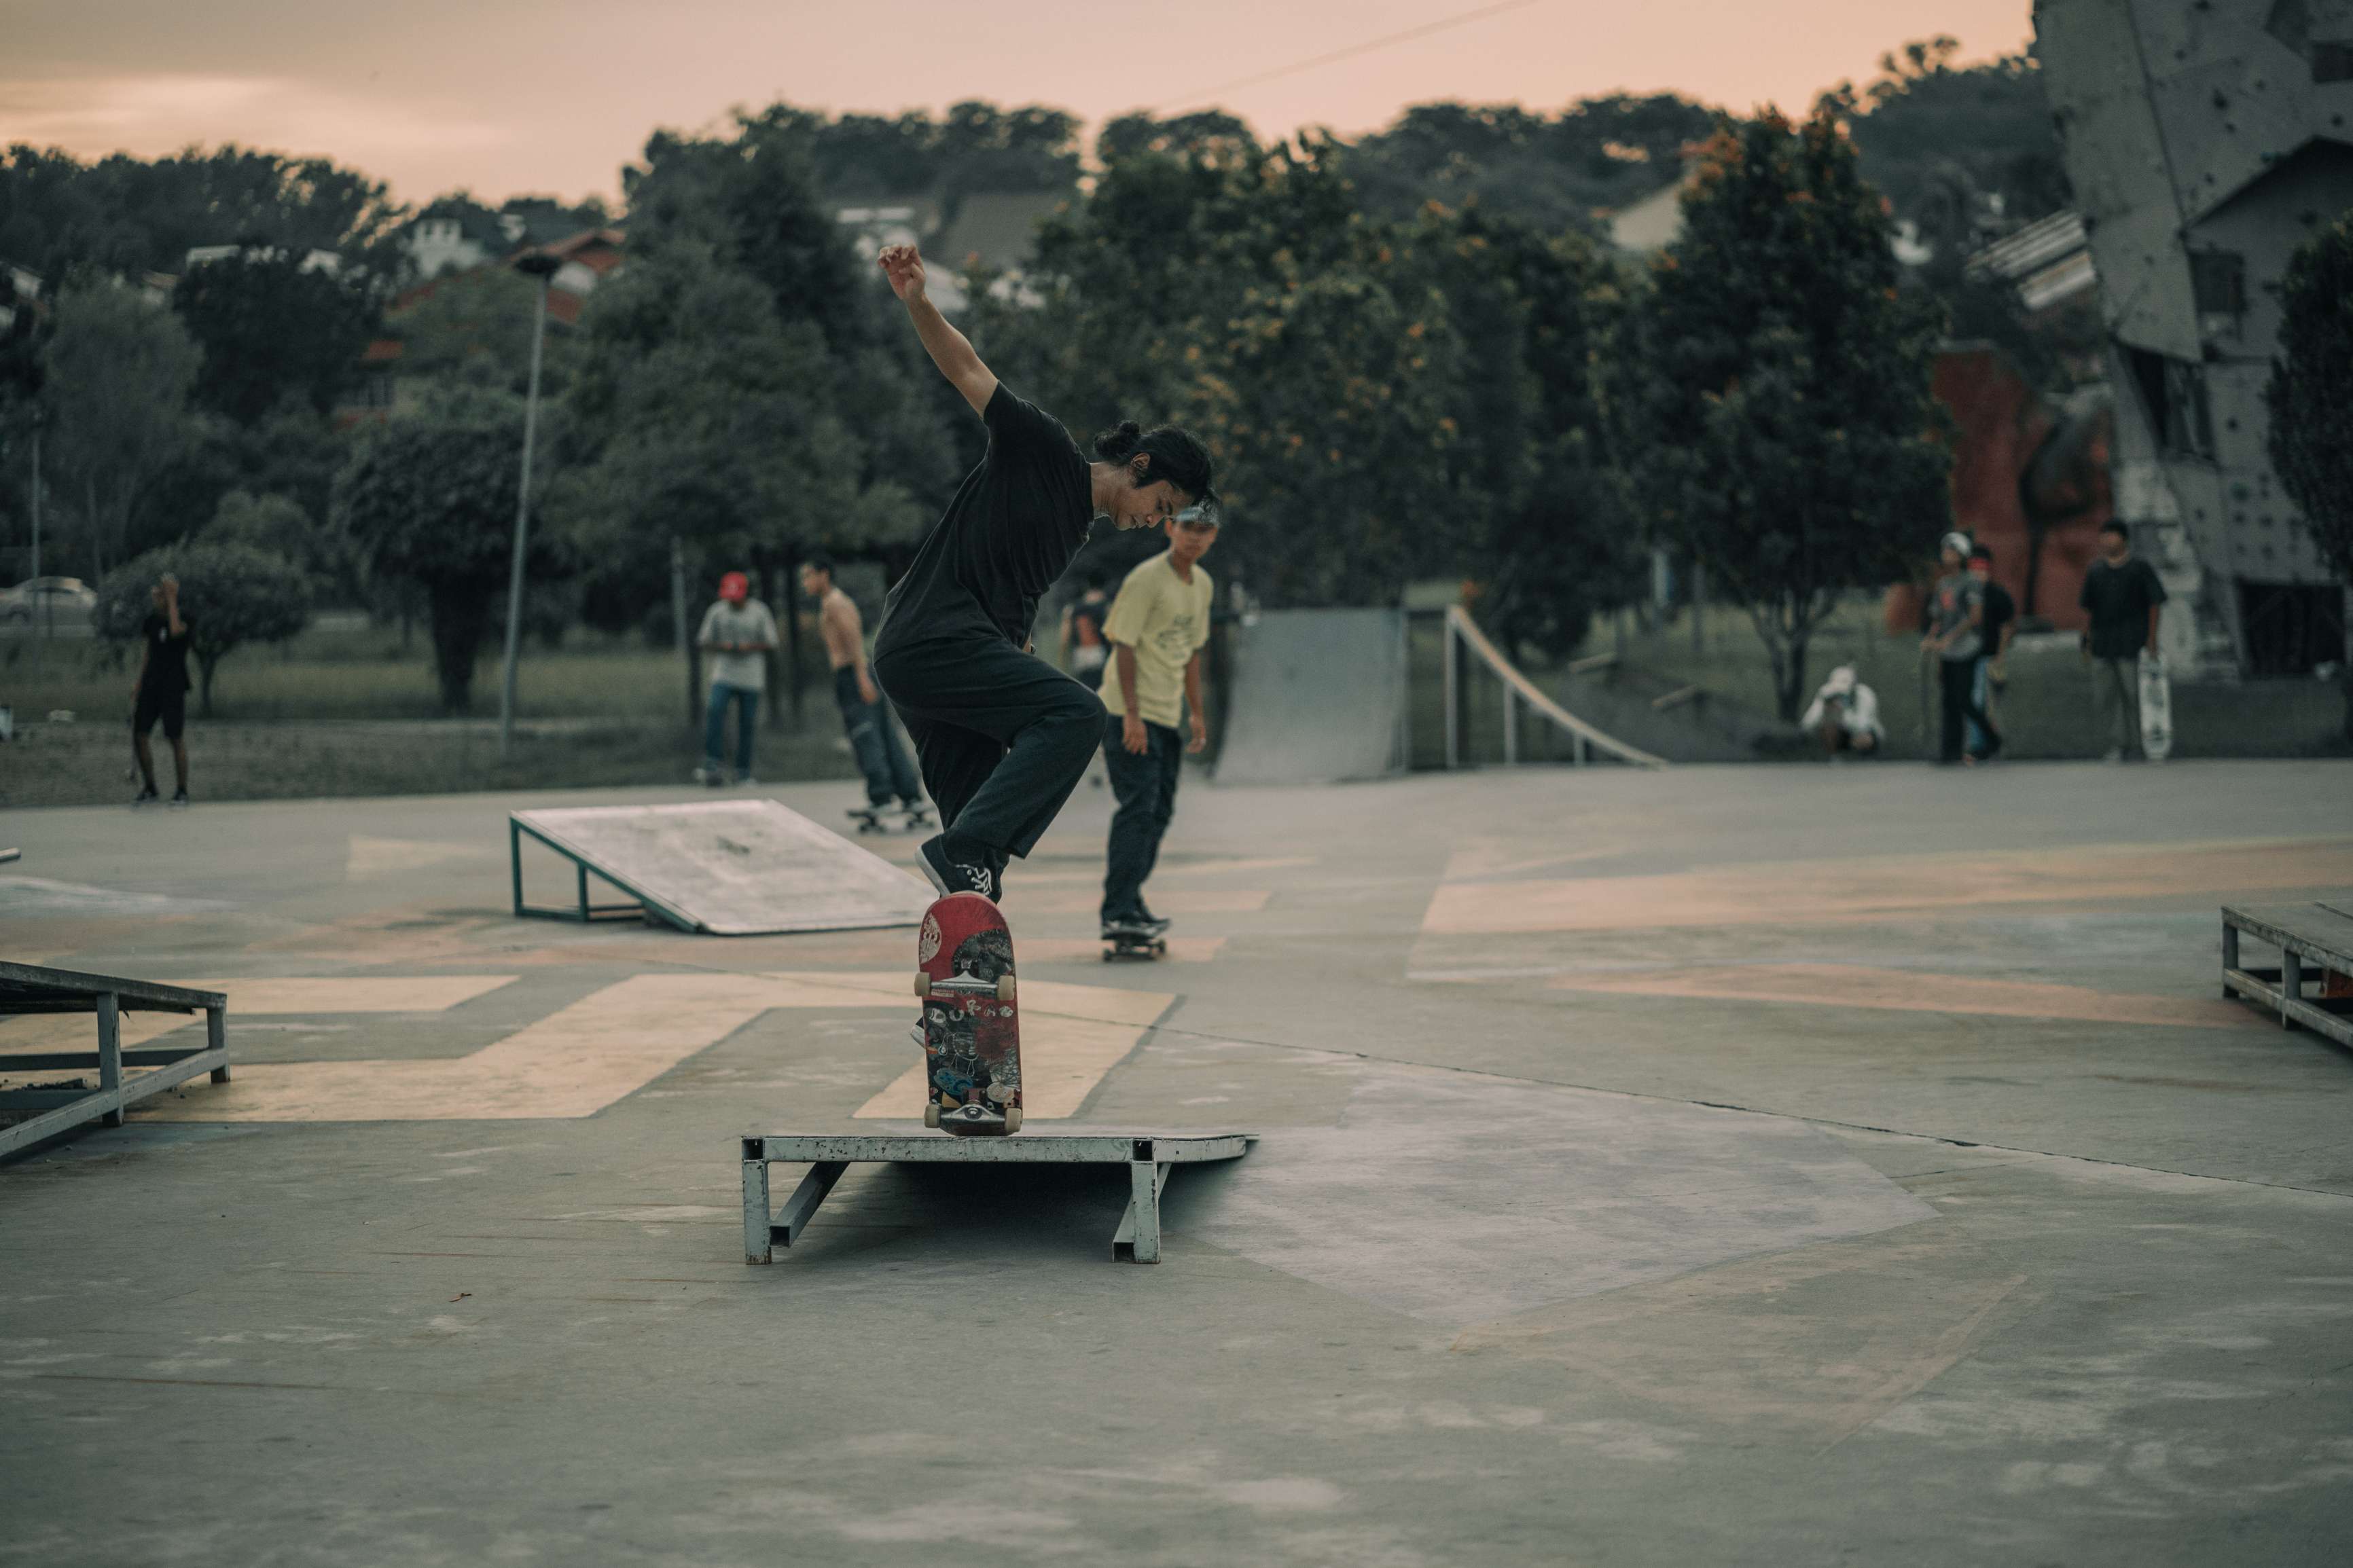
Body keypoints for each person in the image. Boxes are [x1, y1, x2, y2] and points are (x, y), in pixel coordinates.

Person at [869, 240, 1215, 901]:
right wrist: (918, 303)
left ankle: (962, 976)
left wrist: (1017, 648)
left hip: (937, 663)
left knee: (974, 870)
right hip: (933, 640)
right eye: (1160, 506)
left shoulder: (1072, 531)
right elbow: (966, 370)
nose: (1155, 523)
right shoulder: (1043, 450)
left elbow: (1009, 599)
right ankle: (964, 848)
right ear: (1140, 468)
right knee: (1076, 714)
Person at [1099, 506, 1221, 938]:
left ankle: (1130, 899)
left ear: (1213, 537)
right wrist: (1132, 716)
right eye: (1188, 528)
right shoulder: (1146, 579)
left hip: (1167, 715)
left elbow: (1191, 652)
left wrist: (1198, 713)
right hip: (1127, 712)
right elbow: (1125, 646)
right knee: (1138, 808)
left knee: (1161, 813)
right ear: (1171, 528)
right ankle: (1116, 908)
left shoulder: (1202, 585)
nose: (1195, 538)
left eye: (1204, 531)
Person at [802, 554, 925, 825]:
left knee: (864, 735)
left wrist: (861, 678)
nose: (805, 583)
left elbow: (852, 640)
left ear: (824, 575)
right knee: (883, 732)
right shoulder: (835, 602)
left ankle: (880, 796)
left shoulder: (834, 603)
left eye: (809, 576)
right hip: (861, 673)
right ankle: (909, 793)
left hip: (853, 674)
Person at [2077, 519, 2167, 762]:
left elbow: (2155, 602)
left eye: (2112, 535)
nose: (2107, 540)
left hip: (2131, 643)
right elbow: (2087, 608)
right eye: (2104, 536)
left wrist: (2152, 638)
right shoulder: (2096, 571)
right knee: (2107, 697)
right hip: (2103, 644)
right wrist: (2085, 638)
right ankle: (2118, 745)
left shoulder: (2139, 568)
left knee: (2135, 695)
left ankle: (2144, 743)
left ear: (2124, 539)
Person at [1923, 531, 2001, 765]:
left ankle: (1991, 738)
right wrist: (1931, 638)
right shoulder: (1943, 584)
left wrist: (1950, 638)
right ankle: (1950, 752)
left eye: (1952, 551)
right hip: (1947, 651)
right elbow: (1938, 617)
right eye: (1946, 551)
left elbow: (1974, 618)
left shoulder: (1971, 582)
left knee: (1963, 699)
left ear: (1962, 555)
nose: (1947, 556)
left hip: (1966, 648)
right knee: (1948, 701)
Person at [694, 570, 778, 786]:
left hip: (751, 675)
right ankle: (713, 763)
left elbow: (771, 642)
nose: (733, 602)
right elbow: (703, 641)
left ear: (745, 594)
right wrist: (724, 646)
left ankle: (743, 771)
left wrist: (749, 647)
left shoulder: (759, 612)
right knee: (715, 710)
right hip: (724, 672)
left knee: (747, 722)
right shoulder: (717, 612)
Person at [130, 572, 192, 807]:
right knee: (140, 734)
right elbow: (149, 651)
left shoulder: (184, 617)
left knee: (175, 737)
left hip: (174, 686)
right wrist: (139, 683)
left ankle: (182, 790)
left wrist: (173, 598)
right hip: (151, 685)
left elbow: (176, 631)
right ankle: (150, 787)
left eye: (162, 594)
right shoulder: (152, 621)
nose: (157, 598)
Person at [1058, 573, 1114, 788]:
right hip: (1103, 660)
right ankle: (1106, 765)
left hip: (1082, 659)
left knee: (1088, 711)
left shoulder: (1072, 609)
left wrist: (1063, 664)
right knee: (1105, 709)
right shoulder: (1107, 607)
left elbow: (1064, 640)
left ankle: (1092, 767)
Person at [1965, 543, 2017, 761]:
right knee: (1974, 701)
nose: (1978, 572)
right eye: (1974, 567)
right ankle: (1981, 743)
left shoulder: (1997, 595)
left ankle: (1983, 744)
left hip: (1987, 656)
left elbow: (2007, 627)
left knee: (1985, 702)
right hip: (1966, 657)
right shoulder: (1964, 594)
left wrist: (2000, 655)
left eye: (1982, 567)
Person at [1799, 664, 1883, 759]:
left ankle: (1865, 757)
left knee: (1864, 739)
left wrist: (1844, 714)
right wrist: (1829, 711)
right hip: (1842, 733)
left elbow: (1862, 725)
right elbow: (1811, 719)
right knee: (1829, 727)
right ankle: (1834, 755)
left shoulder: (1865, 695)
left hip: (1865, 732)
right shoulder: (1825, 693)